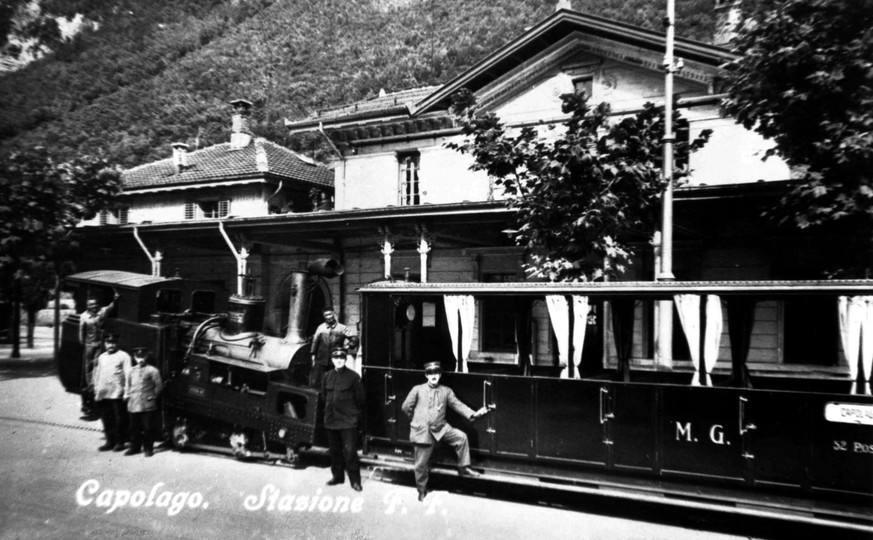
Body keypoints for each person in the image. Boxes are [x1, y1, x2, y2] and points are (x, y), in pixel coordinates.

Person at [401, 361, 489, 501]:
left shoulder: (446, 391)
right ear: (426, 375)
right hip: (423, 432)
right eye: (430, 373)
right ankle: (422, 490)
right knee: (421, 464)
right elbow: (406, 407)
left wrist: (473, 414)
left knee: (461, 437)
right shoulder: (417, 389)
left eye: (436, 373)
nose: (434, 376)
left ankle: (463, 467)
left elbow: (457, 404)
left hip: (441, 428)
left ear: (440, 374)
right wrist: (418, 420)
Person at [321, 347, 365, 491]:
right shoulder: (326, 376)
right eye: (336, 358)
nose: (339, 360)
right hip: (331, 420)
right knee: (335, 451)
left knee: (350, 452)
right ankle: (338, 477)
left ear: (345, 360)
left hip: (348, 421)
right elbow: (324, 396)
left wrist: (352, 414)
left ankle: (355, 482)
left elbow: (360, 399)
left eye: (341, 358)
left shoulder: (353, 377)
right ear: (332, 360)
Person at [78, 291, 119, 418]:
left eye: (95, 304)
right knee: (88, 368)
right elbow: (81, 331)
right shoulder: (84, 316)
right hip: (89, 345)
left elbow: (111, 307)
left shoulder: (101, 312)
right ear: (87, 306)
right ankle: (90, 390)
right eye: (91, 304)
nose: (94, 306)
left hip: (99, 345)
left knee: (97, 367)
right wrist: (83, 343)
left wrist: (116, 299)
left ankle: (93, 387)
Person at [93, 333, 131, 452]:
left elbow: (128, 374)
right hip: (104, 393)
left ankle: (120, 442)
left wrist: (127, 392)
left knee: (119, 419)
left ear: (117, 343)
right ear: (105, 343)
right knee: (106, 418)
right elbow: (98, 374)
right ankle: (110, 441)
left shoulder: (124, 356)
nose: (111, 345)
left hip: (117, 393)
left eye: (113, 342)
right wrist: (96, 390)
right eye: (108, 343)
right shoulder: (102, 357)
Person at [124, 347, 163, 458]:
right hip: (134, 403)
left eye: (142, 356)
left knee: (148, 428)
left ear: (146, 357)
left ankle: (148, 449)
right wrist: (127, 396)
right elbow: (128, 385)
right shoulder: (131, 370)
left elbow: (159, 386)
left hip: (147, 404)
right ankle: (134, 448)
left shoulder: (153, 370)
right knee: (133, 427)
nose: (140, 359)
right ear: (134, 357)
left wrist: (153, 396)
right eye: (138, 357)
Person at [309, 307, 352, 388]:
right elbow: (315, 342)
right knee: (319, 383)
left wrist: (347, 347)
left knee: (335, 383)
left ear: (334, 314)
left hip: (336, 361)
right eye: (326, 315)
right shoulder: (320, 328)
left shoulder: (342, 328)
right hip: (321, 360)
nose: (328, 317)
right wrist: (313, 355)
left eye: (330, 314)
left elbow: (353, 338)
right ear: (324, 316)